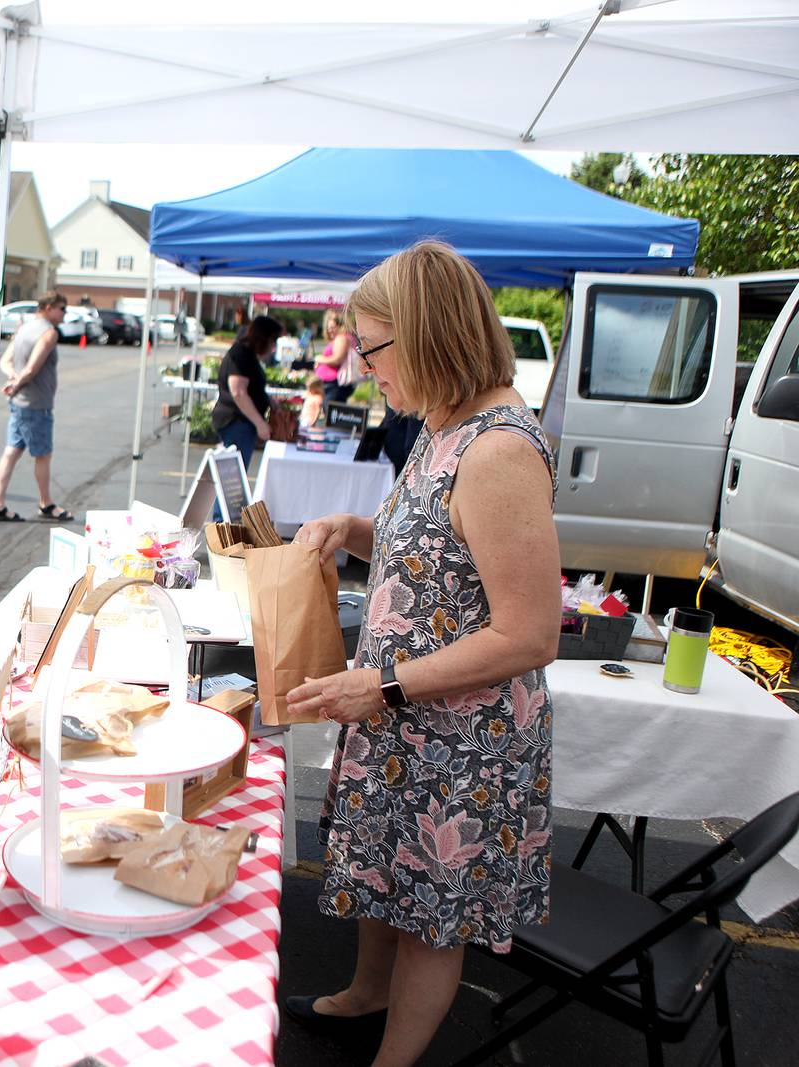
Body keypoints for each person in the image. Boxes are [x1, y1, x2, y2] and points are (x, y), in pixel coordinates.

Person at [283, 240, 560, 1067]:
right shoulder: (445, 422)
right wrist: (355, 529)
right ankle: (368, 995)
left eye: (373, 349)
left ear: (427, 333)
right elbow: (437, 545)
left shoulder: (498, 449)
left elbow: (529, 631)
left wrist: (387, 686)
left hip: (455, 738)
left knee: (431, 916)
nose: (365, 370)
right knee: (385, 880)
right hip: (405, 717)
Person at [0, 291, 76, 523]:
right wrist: (17, 383)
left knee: (12, 451)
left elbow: (5, 362)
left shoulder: (24, 328)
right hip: (36, 405)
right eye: (62, 308)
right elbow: (32, 369)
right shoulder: (49, 334)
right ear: (48, 307)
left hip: (20, 403)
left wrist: (13, 380)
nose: (64, 313)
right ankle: (45, 504)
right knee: (43, 455)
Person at [210, 315, 283, 470]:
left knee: (233, 476)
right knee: (234, 477)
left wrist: (268, 399)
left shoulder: (247, 354)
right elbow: (238, 393)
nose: (273, 347)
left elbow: (248, 389)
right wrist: (260, 424)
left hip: (240, 423)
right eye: (273, 340)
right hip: (236, 421)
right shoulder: (241, 354)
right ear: (264, 338)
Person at [316, 307, 357, 404]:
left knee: (332, 414)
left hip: (334, 385)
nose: (330, 331)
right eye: (328, 328)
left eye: (332, 328)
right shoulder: (342, 338)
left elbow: (337, 359)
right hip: (333, 385)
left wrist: (320, 359)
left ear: (340, 326)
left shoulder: (342, 338)